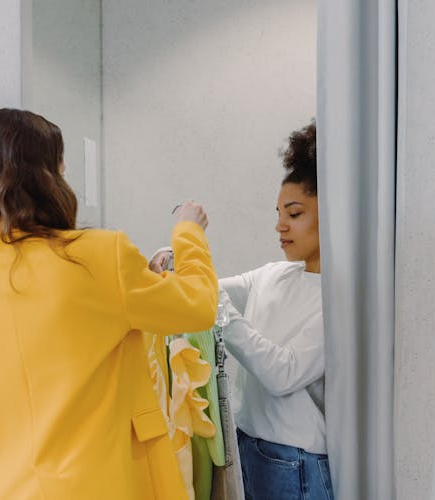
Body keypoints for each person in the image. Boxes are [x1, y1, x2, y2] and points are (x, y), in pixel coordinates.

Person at [0, 108, 218, 499]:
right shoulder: (97, 257)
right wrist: (188, 232)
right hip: (105, 484)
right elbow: (197, 306)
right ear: (50, 177)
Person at [150, 121, 333, 500]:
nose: (280, 225)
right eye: (279, 213)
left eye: (295, 214)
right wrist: (172, 264)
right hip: (250, 446)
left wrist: (215, 308)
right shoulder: (275, 274)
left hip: (296, 462)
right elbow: (205, 289)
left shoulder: (338, 298)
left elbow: (283, 373)